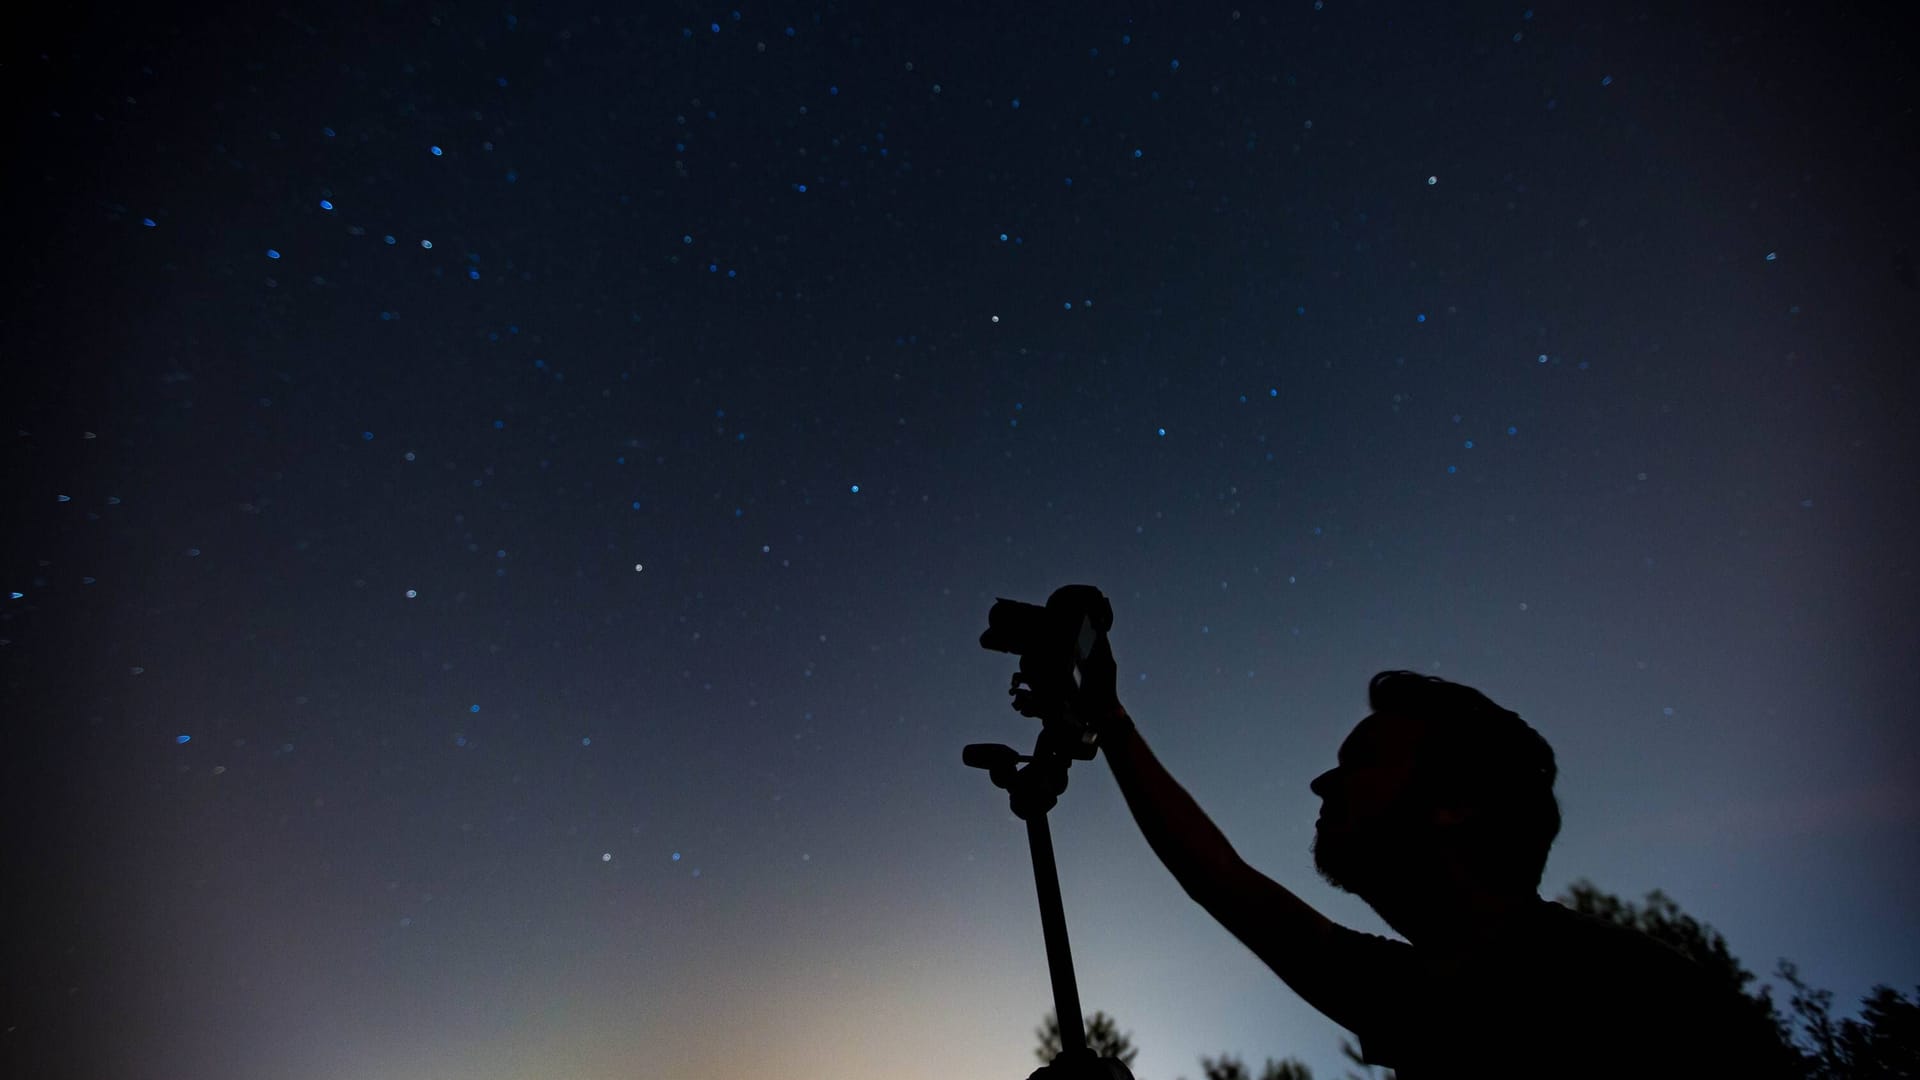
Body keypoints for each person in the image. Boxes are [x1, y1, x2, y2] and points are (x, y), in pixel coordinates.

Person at [1071, 635, 1788, 1078]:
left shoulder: (1643, 999)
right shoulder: (1423, 986)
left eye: (1362, 761)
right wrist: (1109, 713)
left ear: (1455, 801)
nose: (1324, 782)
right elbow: (1222, 879)